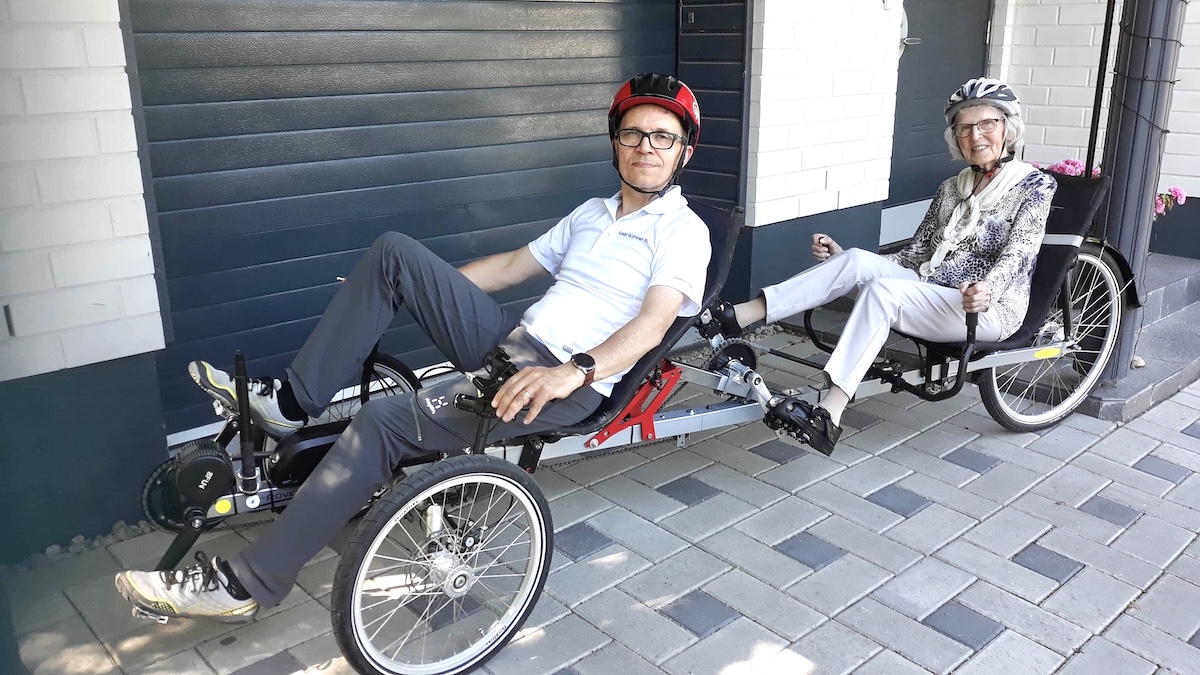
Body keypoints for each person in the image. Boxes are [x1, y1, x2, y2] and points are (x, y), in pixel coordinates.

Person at [115, 73, 711, 622]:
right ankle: (290, 406)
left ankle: (248, 583)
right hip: (514, 342)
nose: (646, 146)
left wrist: (572, 373)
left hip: (563, 381)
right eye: (633, 133)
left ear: (683, 151)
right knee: (394, 253)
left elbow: (652, 325)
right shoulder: (592, 213)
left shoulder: (683, 232)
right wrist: (412, 284)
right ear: (615, 143)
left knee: (382, 422)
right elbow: (510, 266)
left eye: (663, 136)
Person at [701, 77, 1056, 455]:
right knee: (856, 259)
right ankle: (738, 316)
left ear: (1007, 127)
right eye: (964, 127)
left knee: (882, 292)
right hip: (930, 288)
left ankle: (829, 414)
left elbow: (1020, 252)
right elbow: (914, 255)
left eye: (987, 123)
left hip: (984, 308)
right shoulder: (952, 188)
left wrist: (989, 289)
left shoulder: (1035, 186)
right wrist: (843, 262)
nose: (975, 135)